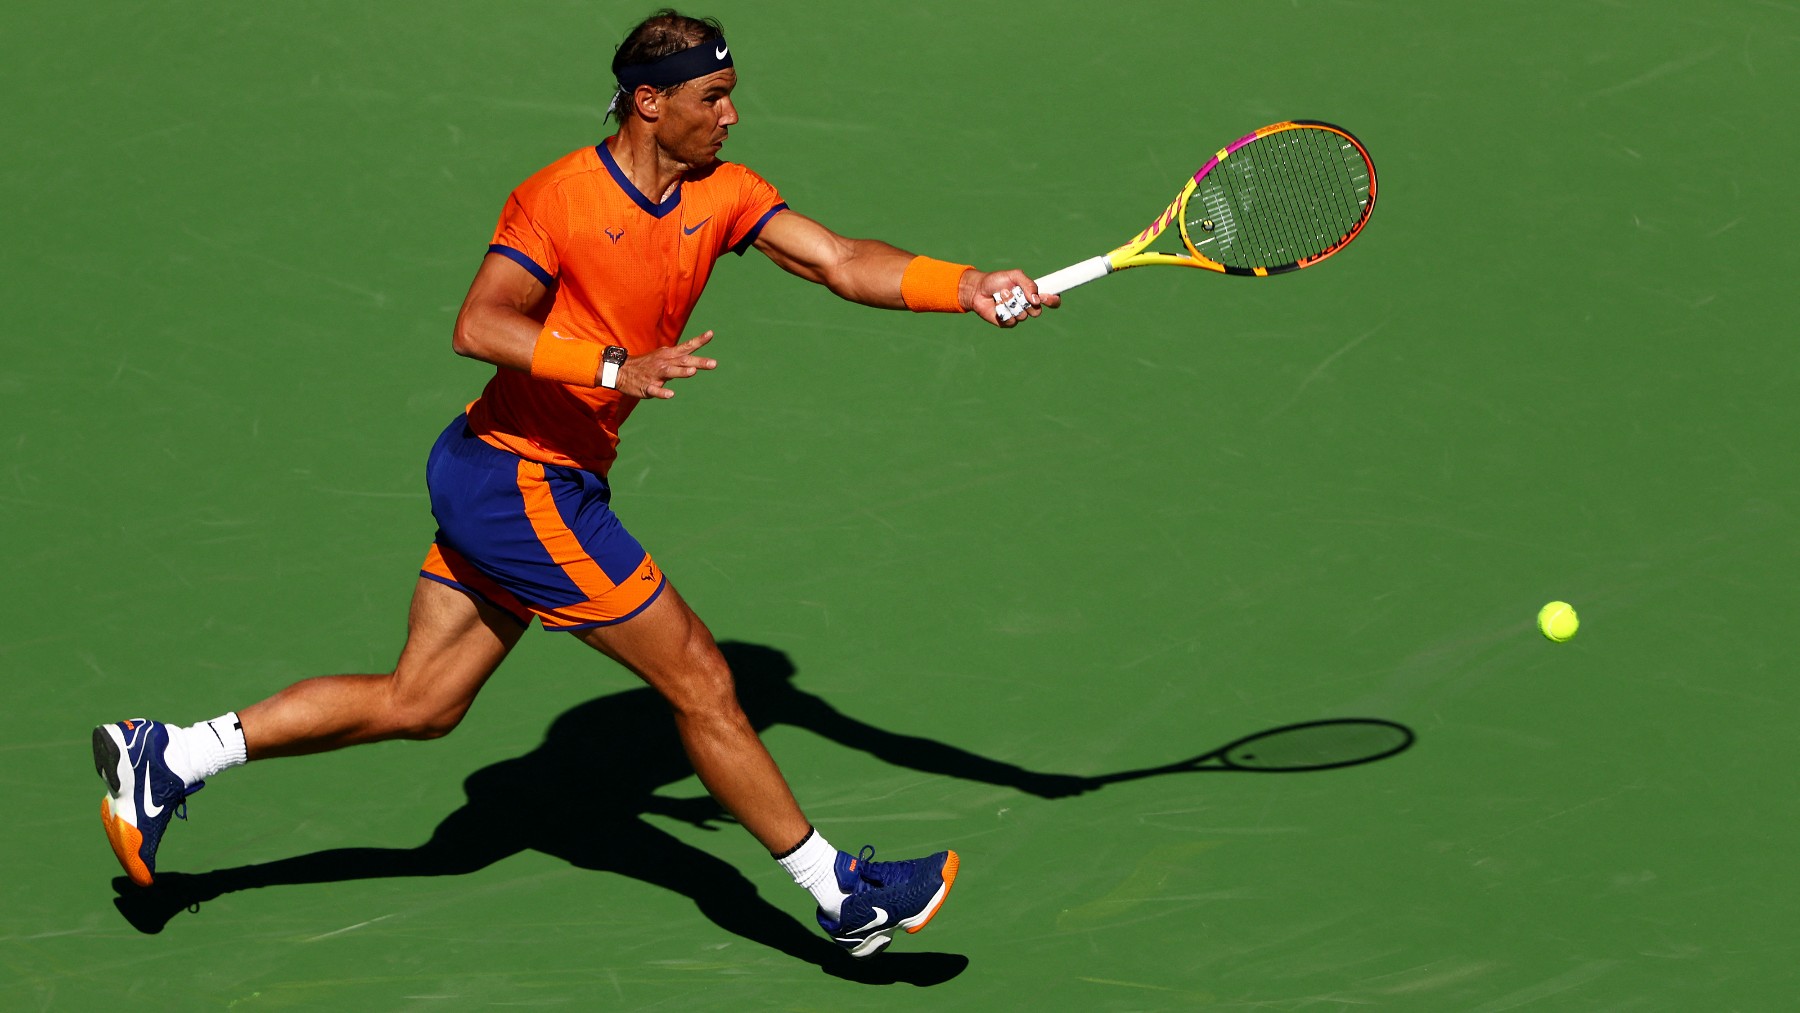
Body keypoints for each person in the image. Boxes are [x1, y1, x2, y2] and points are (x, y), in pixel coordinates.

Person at [92, 8, 1055, 961]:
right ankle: (841, 894)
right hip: (524, 484)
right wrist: (610, 369)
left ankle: (171, 755)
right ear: (649, 101)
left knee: (420, 702)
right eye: (711, 98)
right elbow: (480, 323)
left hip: (502, 478)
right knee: (705, 684)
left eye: (730, 97)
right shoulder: (556, 199)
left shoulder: (724, 194)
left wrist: (962, 283)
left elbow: (840, 260)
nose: (729, 117)